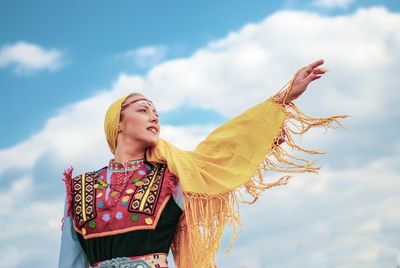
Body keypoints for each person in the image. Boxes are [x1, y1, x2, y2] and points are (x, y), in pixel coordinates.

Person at [58, 59, 348, 268]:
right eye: (143, 110)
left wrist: (283, 98)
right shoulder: (80, 187)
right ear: (117, 125)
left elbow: (223, 153)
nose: (154, 117)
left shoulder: (172, 177)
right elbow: (69, 261)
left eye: (156, 112)